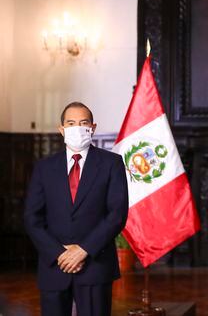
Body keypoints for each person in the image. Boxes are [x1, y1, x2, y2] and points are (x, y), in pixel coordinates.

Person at [24, 102, 128, 316]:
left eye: (83, 123)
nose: (77, 128)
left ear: (93, 127)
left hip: (95, 266)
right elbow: (32, 218)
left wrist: (83, 250)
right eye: (71, 123)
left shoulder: (112, 163)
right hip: (54, 266)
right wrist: (59, 253)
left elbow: (116, 214)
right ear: (61, 129)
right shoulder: (44, 167)